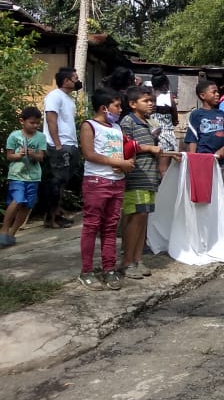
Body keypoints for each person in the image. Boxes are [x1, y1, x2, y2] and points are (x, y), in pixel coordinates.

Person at [78, 87, 135, 291]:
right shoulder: (89, 125)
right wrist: (116, 162)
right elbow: (89, 154)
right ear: (104, 107)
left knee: (110, 227)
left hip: (117, 182)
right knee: (92, 225)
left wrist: (126, 163)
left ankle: (108, 268)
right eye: (117, 106)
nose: (120, 110)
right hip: (97, 181)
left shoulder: (117, 128)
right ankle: (86, 271)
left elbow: (122, 152)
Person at [119, 86, 163, 279]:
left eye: (152, 100)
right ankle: (127, 262)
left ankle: (138, 259)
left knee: (143, 218)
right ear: (132, 104)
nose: (151, 104)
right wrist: (149, 148)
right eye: (146, 101)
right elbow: (125, 146)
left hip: (149, 177)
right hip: (135, 177)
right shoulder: (128, 121)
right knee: (134, 218)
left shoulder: (148, 121)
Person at [2, 106, 47, 247]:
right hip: (17, 175)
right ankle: (4, 229)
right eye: (32, 123)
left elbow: (41, 156)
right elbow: (9, 156)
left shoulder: (41, 137)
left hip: (33, 177)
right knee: (18, 199)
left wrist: (32, 154)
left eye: (37, 123)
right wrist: (19, 155)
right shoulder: (14, 136)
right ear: (22, 121)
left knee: (28, 205)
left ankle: (12, 233)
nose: (35, 125)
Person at [42, 67, 81, 229]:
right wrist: (57, 144)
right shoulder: (54, 96)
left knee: (62, 182)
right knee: (56, 183)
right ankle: (51, 218)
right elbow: (51, 120)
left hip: (70, 144)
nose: (78, 81)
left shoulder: (69, 99)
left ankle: (57, 214)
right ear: (66, 81)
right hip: (59, 146)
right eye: (75, 78)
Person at [185, 80, 224, 158]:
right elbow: (192, 139)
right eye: (214, 92)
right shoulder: (196, 114)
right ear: (203, 96)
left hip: (219, 159)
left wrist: (223, 149)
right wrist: (192, 158)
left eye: (218, 92)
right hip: (202, 158)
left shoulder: (221, 114)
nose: (217, 94)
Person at [149, 70, 179, 176]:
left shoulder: (148, 97)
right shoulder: (167, 97)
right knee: (164, 169)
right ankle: (165, 191)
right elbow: (175, 117)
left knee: (154, 168)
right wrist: (174, 120)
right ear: (165, 84)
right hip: (166, 135)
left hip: (150, 134)